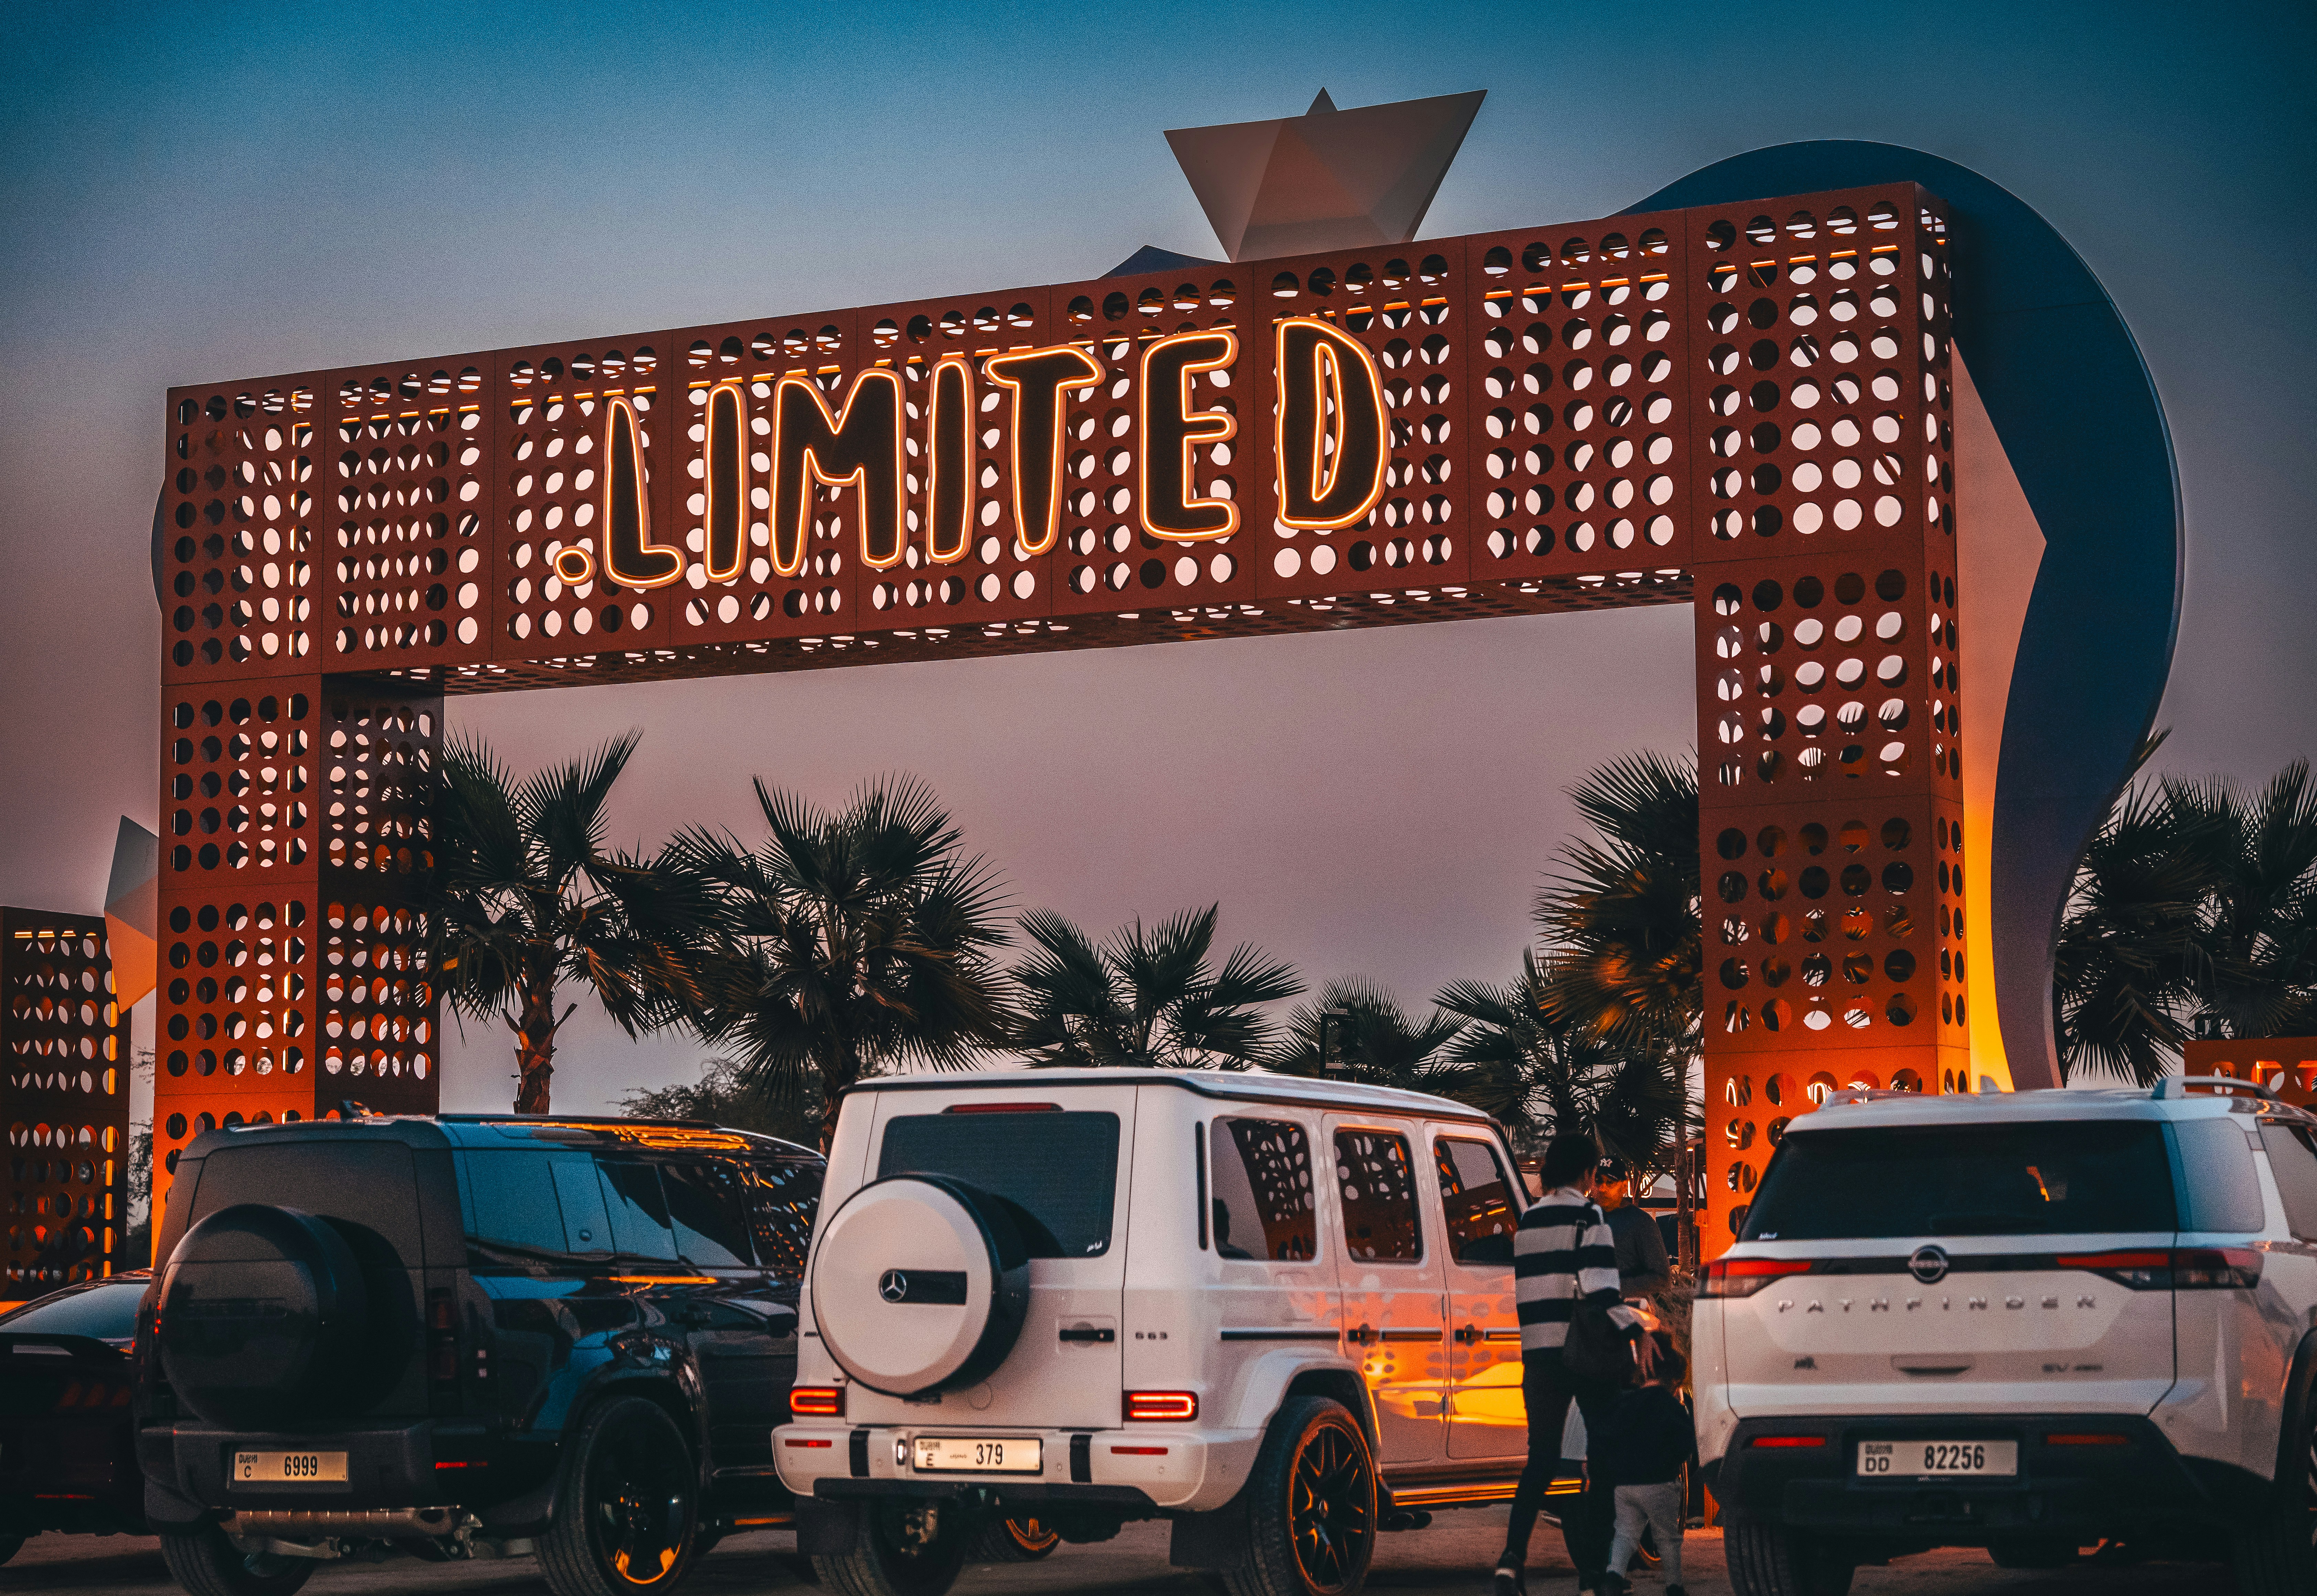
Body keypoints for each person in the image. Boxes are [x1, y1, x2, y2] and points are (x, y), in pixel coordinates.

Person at [1494, 1133, 1651, 1596]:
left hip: (1538, 1354)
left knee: (1540, 1459)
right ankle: (1596, 1576)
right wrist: (1635, 1328)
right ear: (1585, 1173)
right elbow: (1601, 1289)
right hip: (1580, 1351)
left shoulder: (1528, 1220)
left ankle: (1510, 1562)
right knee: (1601, 1459)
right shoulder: (1589, 1215)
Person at [1594, 1332, 1692, 1596]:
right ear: (1673, 1379)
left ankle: (1613, 1577)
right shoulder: (1671, 1407)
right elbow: (1685, 1443)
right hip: (1660, 1482)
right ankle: (1674, 1586)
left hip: (1625, 1485)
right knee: (1667, 1538)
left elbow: (1605, 1436)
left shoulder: (1624, 1403)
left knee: (1625, 1532)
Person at [1596, 1157, 1672, 1302]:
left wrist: (1615, 1288)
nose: (1602, 1188)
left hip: (1628, 1312)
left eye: (1610, 1183)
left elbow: (1662, 1278)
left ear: (1624, 1187)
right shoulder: (1584, 1219)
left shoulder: (1641, 1223)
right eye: (1598, 1181)